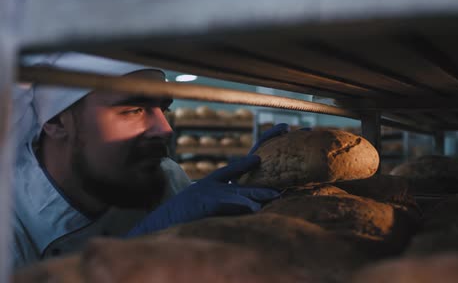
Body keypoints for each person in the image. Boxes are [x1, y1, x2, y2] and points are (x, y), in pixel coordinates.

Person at [11, 52, 283, 268]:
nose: (165, 128)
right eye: (134, 110)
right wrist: (138, 245)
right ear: (57, 121)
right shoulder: (11, 222)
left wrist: (254, 183)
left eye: (164, 108)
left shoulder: (166, 177)